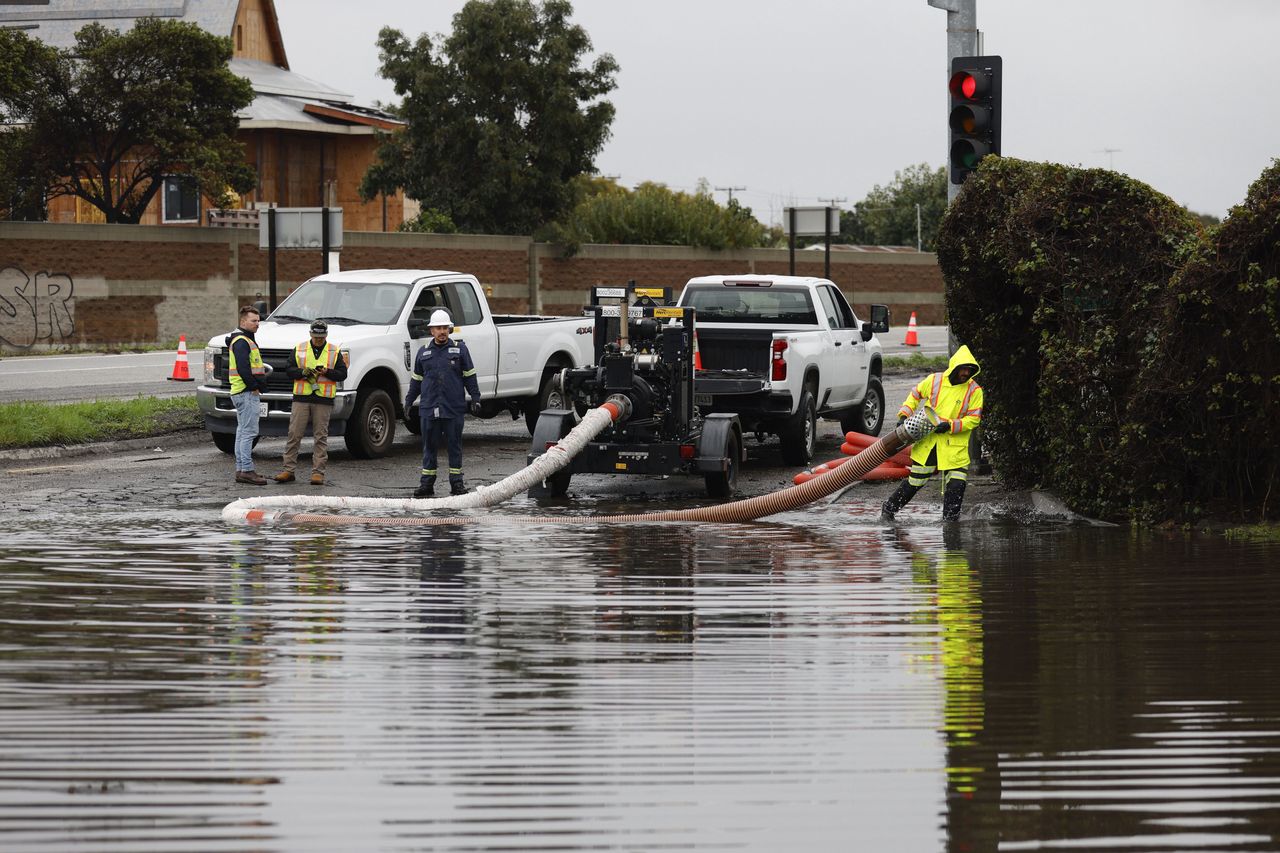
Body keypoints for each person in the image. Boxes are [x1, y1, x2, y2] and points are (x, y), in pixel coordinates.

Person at [881, 345, 983, 523]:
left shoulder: (974, 390)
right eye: (964, 369)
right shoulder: (934, 380)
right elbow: (915, 395)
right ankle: (889, 508)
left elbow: (973, 419)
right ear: (955, 367)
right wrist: (904, 415)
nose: (966, 373)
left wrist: (950, 425)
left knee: (957, 484)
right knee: (916, 481)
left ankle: (950, 523)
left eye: (969, 370)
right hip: (929, 444)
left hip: (954, 448)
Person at [405, 309, 481, 498]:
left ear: (449, 329)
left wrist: (476, 398)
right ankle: (427, 485)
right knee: (429, 447)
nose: (442, 331)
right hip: (429, 409)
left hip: (453, 408)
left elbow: (470, 376)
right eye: (438, 328)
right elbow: (416, 380)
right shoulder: (423, 353)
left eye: (445, 328)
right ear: (431, 331)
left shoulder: (460, 350)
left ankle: (457, 485)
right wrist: (408, 402)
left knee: (454, 446)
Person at [274, 320, 348, 486]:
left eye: (321, 337)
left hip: (323, 399)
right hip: (302, 397)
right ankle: (288, 470)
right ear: (310, 334)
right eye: (315, 337)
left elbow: (342, 374)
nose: (318, 340)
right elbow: (288, 370)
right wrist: (302, 372)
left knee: (320, 436)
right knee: (294, 434)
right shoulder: (300, 348)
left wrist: (327, 372)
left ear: (326, 335)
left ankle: (318, 472)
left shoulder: (334, 351)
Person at [227, 305, 270, 485]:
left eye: (258, 320)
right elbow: (244, 368)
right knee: (249, 432)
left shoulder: (243, 340)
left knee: (242, 431)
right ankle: (247, 470)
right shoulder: (242, 341)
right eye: (253, 321)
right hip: (245, 392)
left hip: (241, 391)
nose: (257, 324)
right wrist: (254, 386)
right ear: (243, 321)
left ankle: (241, 469)